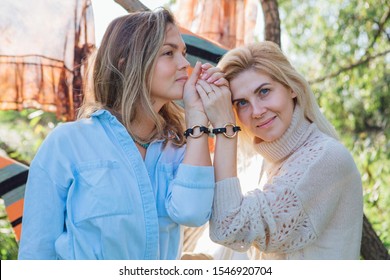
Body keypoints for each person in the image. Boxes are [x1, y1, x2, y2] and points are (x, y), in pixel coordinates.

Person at [18, 8, 224, 260]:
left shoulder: (183, 147)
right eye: (169, 53)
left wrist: (196, 116)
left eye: (183, 53)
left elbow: (193, 212)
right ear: (127, 64)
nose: (185, 64)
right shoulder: (67, 144)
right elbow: (36, 254)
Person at [196, 41, 363, 259]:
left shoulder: (325, 157)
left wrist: (225, 128)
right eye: (242, 103)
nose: (256, 111)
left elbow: (230, 228)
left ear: (291, 87)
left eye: (264, 91)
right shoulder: (266, 164)